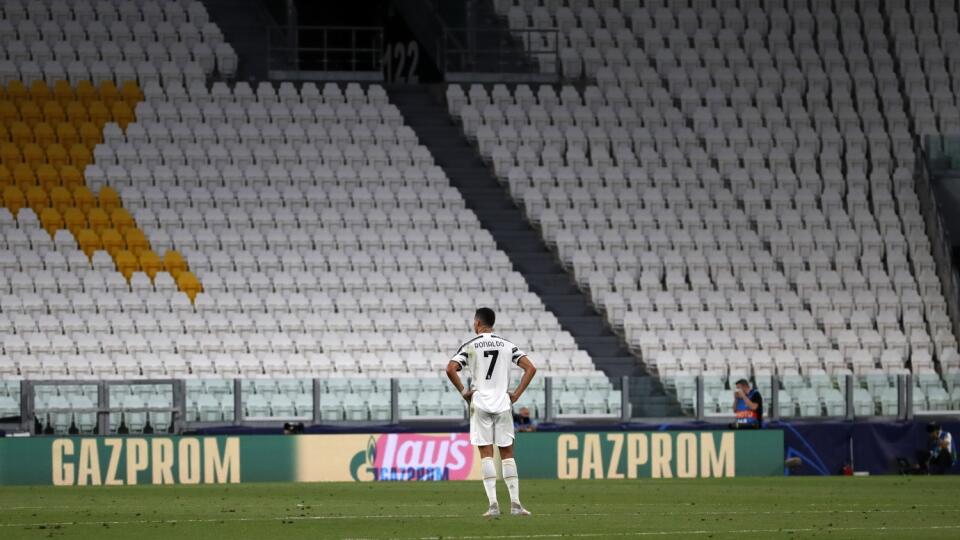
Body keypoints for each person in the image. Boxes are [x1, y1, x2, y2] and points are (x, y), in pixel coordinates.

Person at [446, 307, 537, 517]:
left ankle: (493, 505)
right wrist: (516, 395)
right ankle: (515, 504)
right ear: (491, 324)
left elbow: (450, 368)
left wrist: (463, 392)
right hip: (503, 403)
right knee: (507, 454)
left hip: (480, 404)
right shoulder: (507, 345)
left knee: (486, 454)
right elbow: (531, 368)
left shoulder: (470, 346)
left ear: (478, 323)